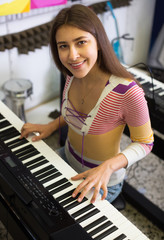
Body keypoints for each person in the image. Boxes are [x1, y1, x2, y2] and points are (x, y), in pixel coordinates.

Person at [20, 4, 154, 205]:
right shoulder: (72, 74)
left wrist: (108, 167)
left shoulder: (128, 92)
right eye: (63, 46)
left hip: (102, 179)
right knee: (29, 194)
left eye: (81, 42)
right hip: (67, 158)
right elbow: (76, 114)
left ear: (99, 42)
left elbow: (145, 142)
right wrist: (50, 126)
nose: (72, 56)